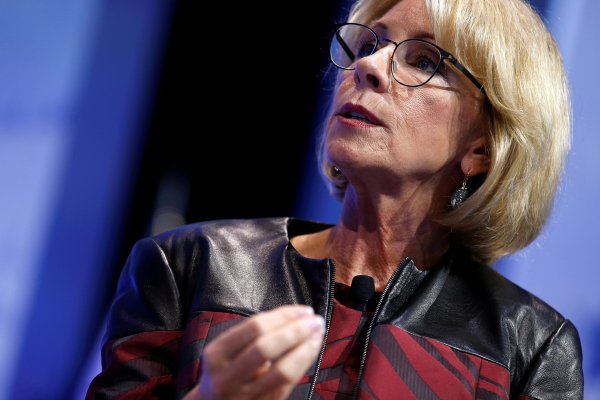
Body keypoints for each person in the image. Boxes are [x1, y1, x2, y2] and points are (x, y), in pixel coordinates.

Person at [87, 0, 584, 398]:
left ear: (481, 149)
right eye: (369, 44)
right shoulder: (190, 266)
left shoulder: (530, 347)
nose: (367, 65)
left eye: (426, 61)